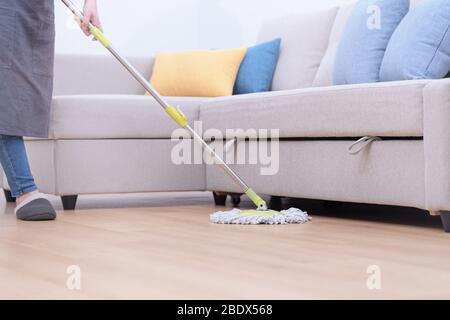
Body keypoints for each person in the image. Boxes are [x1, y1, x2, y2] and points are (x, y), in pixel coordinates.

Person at [0, 0, 102, 221]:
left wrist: (90, 3)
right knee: (4, 91)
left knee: (33, 87)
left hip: (39, 11)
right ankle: (25, 190)